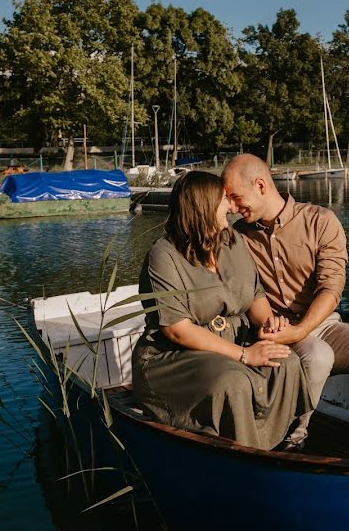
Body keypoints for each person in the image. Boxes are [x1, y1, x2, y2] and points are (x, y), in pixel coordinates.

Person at [222, 154, 349, 456]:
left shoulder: (320, 221)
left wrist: (301, 329)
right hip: (273, 330)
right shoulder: (238, 237)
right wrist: (279, 329)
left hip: (321, 324)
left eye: (236, 197)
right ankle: (291, 439)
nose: (233, 208)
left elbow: (332, 288)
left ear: (260, 185)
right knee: (317, 356)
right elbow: (247, 293)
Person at [131, 171, 312, 450]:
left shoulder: (232, 242)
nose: (231, 206)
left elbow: (254, 296)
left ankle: (277, 444)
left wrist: (268, 324)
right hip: (175, 357)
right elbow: (177, 330)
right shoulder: (162, 256)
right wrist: (245, 355)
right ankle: (244, 454)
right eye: (224, 200)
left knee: (286, 362)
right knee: (232, 380)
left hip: (233, 345)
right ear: (203, 206)